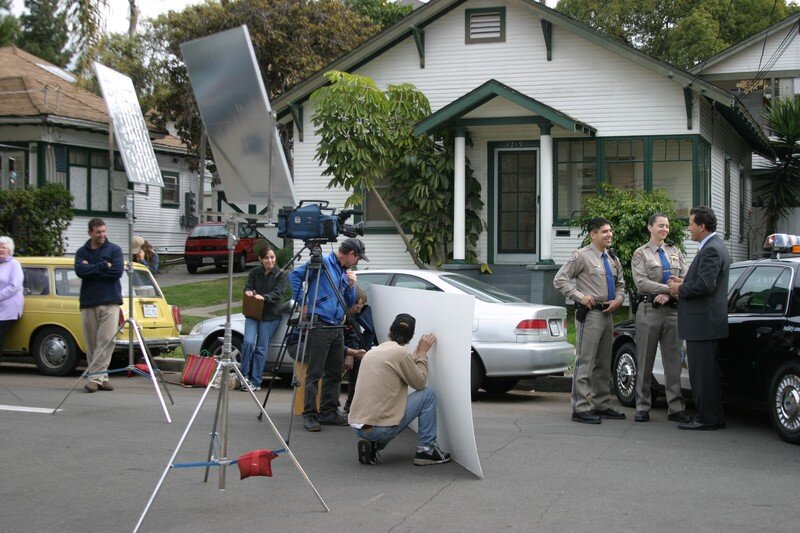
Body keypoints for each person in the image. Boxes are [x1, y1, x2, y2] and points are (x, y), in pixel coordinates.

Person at [348, 313, 451, 466]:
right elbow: (420, 382)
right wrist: (423, 353)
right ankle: (426, 450)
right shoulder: (400, 354)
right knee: (428, 395)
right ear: (411, 336)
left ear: (390, 331)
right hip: (378, 428)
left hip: (358, 425)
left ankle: (374, 445)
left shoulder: (373, 351)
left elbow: (401, 362)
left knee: (388, 413)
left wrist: (417, 352)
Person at [289, 237, 367, 432]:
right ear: (351, 254)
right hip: (320, 325)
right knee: (315, 373)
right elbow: (295, 276)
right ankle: (310, 414)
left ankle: (328, 412)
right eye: (358, 258)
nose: (357, 262)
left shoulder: (343, 271)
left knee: (334, 373)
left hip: (337, 327)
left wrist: (351, 285)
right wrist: (302, 302)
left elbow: (349, 302)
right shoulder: (323, 262)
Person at [553, 217, 627, 424]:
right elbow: (560, 279)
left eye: (610, 231)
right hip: (590, 314)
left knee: (603, 362)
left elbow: (621, 285)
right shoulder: (581, 256)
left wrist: (619, 300)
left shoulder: (612, 257)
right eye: (604, 231)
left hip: (608, 313)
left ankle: (601, 404)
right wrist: (579, 296)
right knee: (586, 361)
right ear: (593, 234)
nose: (609, 234)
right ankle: (581, 407)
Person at [668, 206, 730, 431]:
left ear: (702, 226)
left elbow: (705, 285)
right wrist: (684, 281)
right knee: (707, 373)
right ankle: (713, 416)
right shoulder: (714, 246)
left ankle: (707, 418)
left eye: (691, 224)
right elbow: (705, 280)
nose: (688, 228)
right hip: (706, 323)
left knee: (702, 374)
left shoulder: (711, 249)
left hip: (703, 324)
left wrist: (679, 288)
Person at [630, 214, 691, 423]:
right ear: (650, 228)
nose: (664, 229)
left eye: (667, 226)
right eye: (660, 226)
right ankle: (642, 406)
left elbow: (686, 276)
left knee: (674, 362)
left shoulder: (675, 251)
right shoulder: (641, 253)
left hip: (673, 311)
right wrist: (669, 289)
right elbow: (641, 283)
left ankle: (676, 407)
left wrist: (672, 294)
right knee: (645, 360)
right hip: (650, 310)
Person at [75, 218, 124, 393]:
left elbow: (117, 272)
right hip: (89, 302)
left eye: (103, 231)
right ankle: (102, 378)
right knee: (92, 344)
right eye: (98, 232)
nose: (101, 235)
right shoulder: (82, 252)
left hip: (111, 302)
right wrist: (103, 265)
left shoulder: (115, 250)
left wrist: (92, 269)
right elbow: (80, 271)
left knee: (107, 340)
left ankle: (94, 379)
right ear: (90, 233)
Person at [240, 244, 287, 391]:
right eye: (266, 258)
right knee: (248, 342)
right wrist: (248, 292)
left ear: (275, 258)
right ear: (261, 259)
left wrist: (264, 297)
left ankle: (255, 382)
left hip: (270, 315)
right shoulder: (255, 272)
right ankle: (243, 377)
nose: (270, 260)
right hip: (254, 312)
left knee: (261, 347)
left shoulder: (280, 275)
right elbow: (248, 286)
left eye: (272, 257)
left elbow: (278, 293)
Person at [342, 286, 377, 413]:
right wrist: (349, 353)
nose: (358, 311)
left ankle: (352, 404)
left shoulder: (352, 315)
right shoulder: (340, 314)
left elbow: (354, 335)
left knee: (360, 363)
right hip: (334, 347)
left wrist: (352, 353)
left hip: (345, 347)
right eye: (357, 308)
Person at [0, 236, 24, 368]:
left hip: (8, 308)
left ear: (9, 250)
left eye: (4, 247)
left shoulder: (14, 264)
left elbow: (15, 286)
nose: (1, 249)